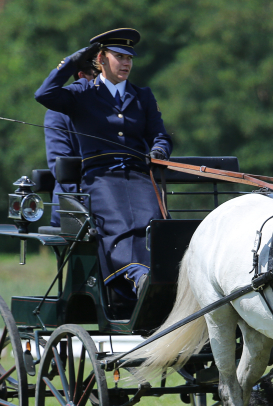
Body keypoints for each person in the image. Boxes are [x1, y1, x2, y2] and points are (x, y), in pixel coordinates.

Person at [34, 28, 172, 317]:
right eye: (119, 57)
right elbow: (44, 94)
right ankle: (136, 276)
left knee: (153, 222)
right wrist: (72, 62)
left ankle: (161, 282)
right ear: (101, 59)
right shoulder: (81, 94)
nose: (126, 63)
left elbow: (160, 135)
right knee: (116, 221)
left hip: (138, 174)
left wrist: (159, 150)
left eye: (129, 58)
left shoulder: (142, 97)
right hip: (99, 178)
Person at [45, 67, 97, 228]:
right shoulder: (58, 112)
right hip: (75, 206)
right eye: (99, 76)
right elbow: (60, 165)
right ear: (82, 75)